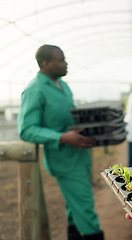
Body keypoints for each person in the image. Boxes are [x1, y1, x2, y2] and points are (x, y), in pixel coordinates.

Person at [18, 45, 104, 240]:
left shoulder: (62, 85)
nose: (66, 64)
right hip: (64, 161)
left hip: (79, 155)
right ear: (45, 63)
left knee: (74, 209)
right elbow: (26, 130)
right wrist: (63, 137)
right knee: (85, 208)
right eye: (61, 60)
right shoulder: (35, 90)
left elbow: (66, 118)